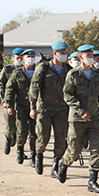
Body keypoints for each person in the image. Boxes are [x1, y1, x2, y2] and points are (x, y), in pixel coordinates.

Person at [55, 45, 99, 192]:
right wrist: (80, 111)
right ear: (80, 57)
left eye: (92, 55)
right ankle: (64, 164)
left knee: (97, 148)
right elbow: (68, 95)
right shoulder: (73, 75)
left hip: (94, 119)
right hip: (77, 120)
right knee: (74, 149)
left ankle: (93, 181)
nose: (91, 58)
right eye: (88, 55)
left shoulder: (97, 75)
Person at [29, 40, 72, 176]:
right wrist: (33, 107)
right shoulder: (44, 68)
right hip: (45, 108)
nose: (64, 55)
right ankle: (39, 157)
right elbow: (34, 88)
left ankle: (56, 165)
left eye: (65, 53)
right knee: (43, 137)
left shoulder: (68, 70)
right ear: (54, 53)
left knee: (61, 138)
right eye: (62, 53)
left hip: (61, 109)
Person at [4, 49, 38, 166]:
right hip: (21, 106)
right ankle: (20, 150)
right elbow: (9, 89)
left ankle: (34, 154)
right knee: (22, 130)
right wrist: (9, 105)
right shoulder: (17, 73)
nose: (30, 58)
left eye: (32, 56)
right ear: (23, 59)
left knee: (35, 132)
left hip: (36, 107)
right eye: (28, 56)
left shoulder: (39, 71)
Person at [0, 47, 24, 155]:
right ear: (13, 57)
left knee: (22, 128)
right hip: (10, 103)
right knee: (10, 126)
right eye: (18, 57)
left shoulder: (27, 70)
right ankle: (8, 139)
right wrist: (4, 100)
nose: (20, 59)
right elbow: (0, 84)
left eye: (21, 58)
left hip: (22, 104)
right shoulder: (7, 69)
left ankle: (20, 151)